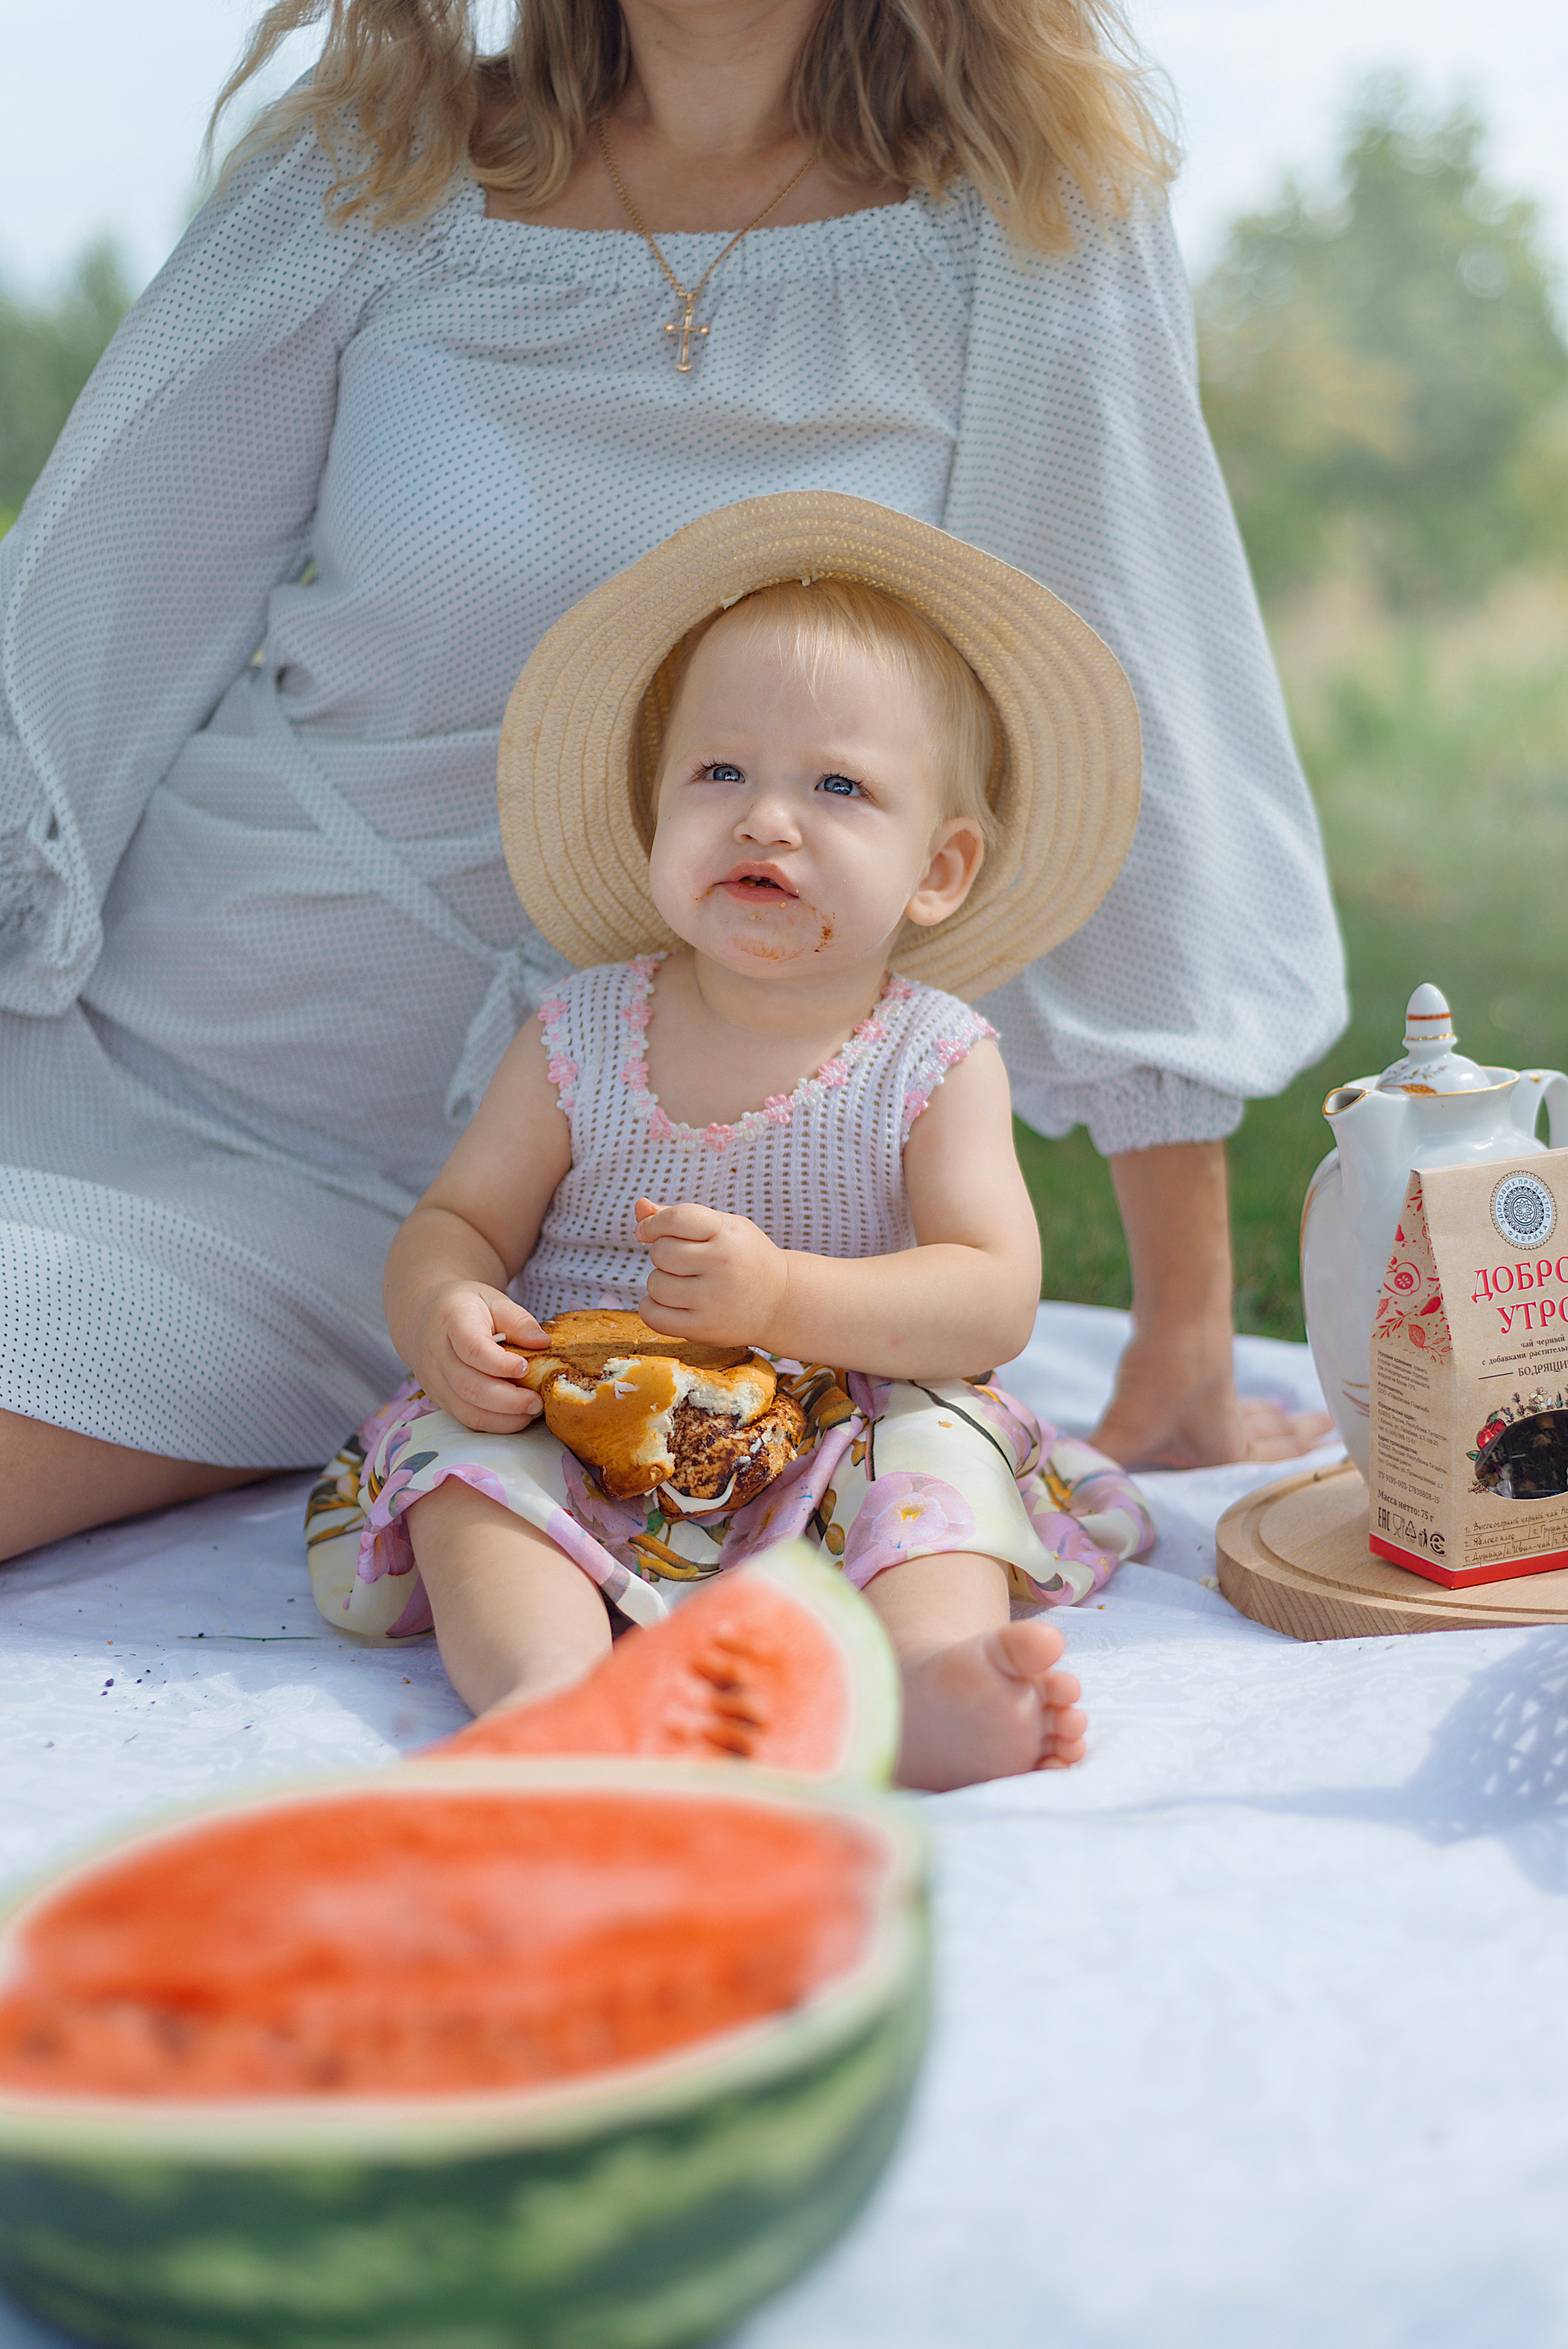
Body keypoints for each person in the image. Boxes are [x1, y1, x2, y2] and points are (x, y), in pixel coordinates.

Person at [0, 0, 1341, 1567]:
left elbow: (1144, 699)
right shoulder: (371, 163)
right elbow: (88, 620)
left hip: (587, 1225)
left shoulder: (1026, 203)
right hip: (180, 1058)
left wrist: (1182, 1330)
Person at [307, 493, 1158, 1791]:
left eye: (837, 786)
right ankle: (551, 1683)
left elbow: (990, 1297)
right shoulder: (583, 1031)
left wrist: (784, 1297)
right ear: (655, 814)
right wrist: (445, 1306)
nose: (767, 819)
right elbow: (460, 1221)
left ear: (938, 870)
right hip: (589, 1425)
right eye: (720, 774)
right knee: (464, 1464)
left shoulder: (930, 1058)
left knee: (940, 1449)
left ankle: (917, 1680)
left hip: (830, 1432)